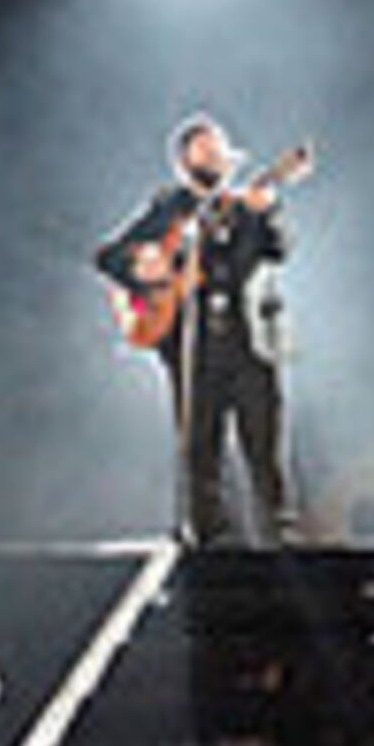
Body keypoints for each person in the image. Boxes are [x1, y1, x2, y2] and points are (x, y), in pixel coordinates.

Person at [94, 117, 298, 546]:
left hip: (248, 339)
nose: (214, 155)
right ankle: (208, 533)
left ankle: (279, 530)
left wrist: (269, 213)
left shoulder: (247, 206)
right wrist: (147, 270)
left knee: (262, 439)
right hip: (192, 342)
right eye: (204, 149)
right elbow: (107, 257)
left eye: (219, 148)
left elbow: (280, 250)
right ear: (185, 160)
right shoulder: (168, 209)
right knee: (200, 446)